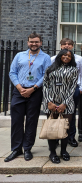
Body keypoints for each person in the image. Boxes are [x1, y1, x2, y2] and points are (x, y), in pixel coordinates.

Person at [6, 32, 51, 162]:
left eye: (36, 41)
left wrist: (33, 88)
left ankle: (27, 149)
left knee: (32, 121)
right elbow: (12, 72)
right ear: (28, 42)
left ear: (40, 43)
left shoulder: (45, 57)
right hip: (19, 91)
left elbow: (46, 75)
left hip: (35, 91)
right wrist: (20, 87)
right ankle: (16, 149)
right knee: (16, 121)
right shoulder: (19, 55)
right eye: (31, 41)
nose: (34, 44)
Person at [42, 49, 78, 164]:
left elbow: (73, 88)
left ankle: (63, 151)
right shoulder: (50, 68)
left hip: (67, 103)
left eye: (69, 55)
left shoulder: (74, 70)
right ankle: (52, 152)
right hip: (51, 102)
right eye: (64, 55)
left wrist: (64, 103)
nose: (66, 57)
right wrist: (49, 101)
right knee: (52, 128)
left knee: (65, 128)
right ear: (60, 56)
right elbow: (45, 85)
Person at [51, 38, 82, 148]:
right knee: (57, 113)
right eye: (64, 44)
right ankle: (56, 138)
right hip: (57, 90)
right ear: (60, 45)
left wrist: (81, 88)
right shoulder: (52, 59)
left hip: (74, 89)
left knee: (70, 114)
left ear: (73, 46)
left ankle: (70, 137)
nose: (67, 46)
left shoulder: (79, 59)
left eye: (69, 44)